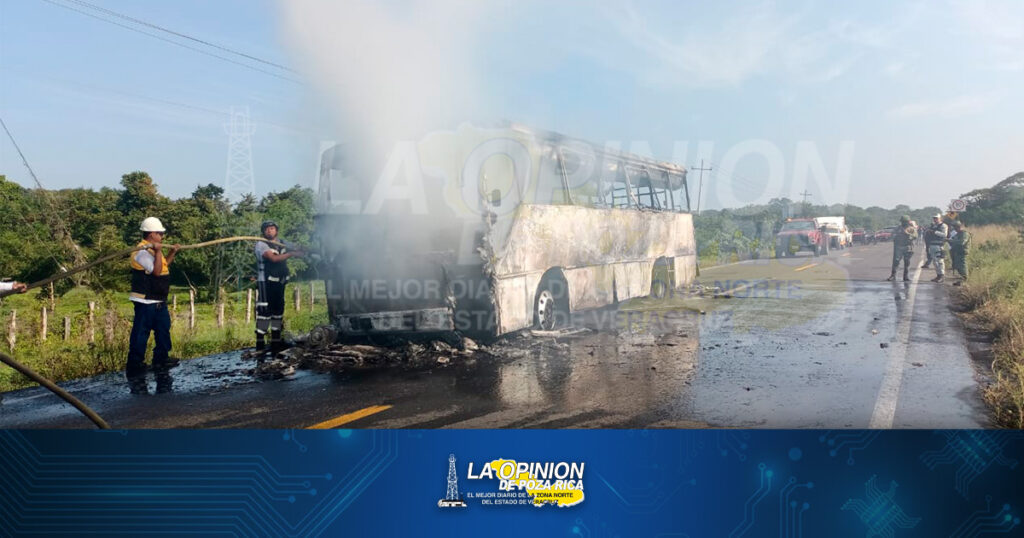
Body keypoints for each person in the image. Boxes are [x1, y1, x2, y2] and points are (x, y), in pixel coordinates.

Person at [126, 217, 181, 394]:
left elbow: (164, 267)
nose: (162, 236)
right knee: (141, 334)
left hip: (158, 299)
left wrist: (171, 253)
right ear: (151, 234)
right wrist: (158, 252)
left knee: (163, 331)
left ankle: (161, 360)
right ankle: (135, 365)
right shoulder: (141, 252)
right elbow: (156, 272)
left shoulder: (152, 251)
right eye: (160, 233)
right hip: (146, 300)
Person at [254, 220, 304, 355]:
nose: (269, 231)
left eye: (272, 228)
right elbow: (274, 259)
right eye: (267, 229)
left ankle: (276, 342)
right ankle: (260, 343)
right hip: (266, 283)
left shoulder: (282, 242)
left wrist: (303, 249)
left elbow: (297, 247)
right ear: (263, 232)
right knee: (264, 312)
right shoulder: (261, 244)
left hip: (279, 283)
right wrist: (292, 254)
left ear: (276, 230)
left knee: (278, 312)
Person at [887, 215, 917, 282]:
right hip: (899, 246)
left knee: (907, 262)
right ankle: (893, 275)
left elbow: (915, 236)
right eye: (903, 222)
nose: (904, 223)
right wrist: (897, 235)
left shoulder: (911, 229)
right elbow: (892, 235)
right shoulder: (897, 228)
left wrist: (908, 235)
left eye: (905, 222)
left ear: (908, 222)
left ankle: (906, 276)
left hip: (908, 247)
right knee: (896, 261)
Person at [925, 213, 949, 283]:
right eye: (934, 218)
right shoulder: (933, 226)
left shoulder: (943, 226)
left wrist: (935, 232)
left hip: (939, 245)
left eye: (936, 218)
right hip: (932, 245)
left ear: (940, 218)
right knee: (935, 262)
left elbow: (944, 235)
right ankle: (938, 275)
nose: (935, 219)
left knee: (940, 261)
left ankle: (942, 276)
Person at [949, 221, 971, 285]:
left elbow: (961, 242)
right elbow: (953, 240)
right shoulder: (958, 234)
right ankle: (961, 280)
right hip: (957, 252)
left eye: (956, 227)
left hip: (962, 252)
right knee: (957, 266)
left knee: (962, 266)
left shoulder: (964, 234)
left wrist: (951, 241)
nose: (955, 229)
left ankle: (965, 280)